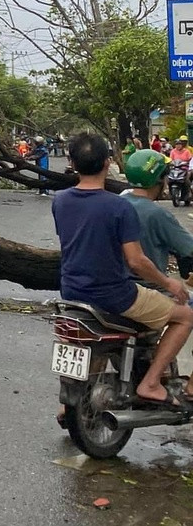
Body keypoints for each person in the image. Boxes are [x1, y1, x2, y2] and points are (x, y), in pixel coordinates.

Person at [52, 132, 193, 409]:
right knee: (186, 316)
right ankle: (151, 383)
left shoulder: (60, 200)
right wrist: (170, 282)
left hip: (71, 290)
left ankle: (68, 407)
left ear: (72, 163)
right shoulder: (118, 206)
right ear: (107, 163)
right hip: (116, 296)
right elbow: (136, 261)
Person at [121, 150, 193, 280]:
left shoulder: (117, 202)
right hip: (150, 286)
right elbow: (188, 247)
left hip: (116, 285)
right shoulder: (157, 214)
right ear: (159, 178)